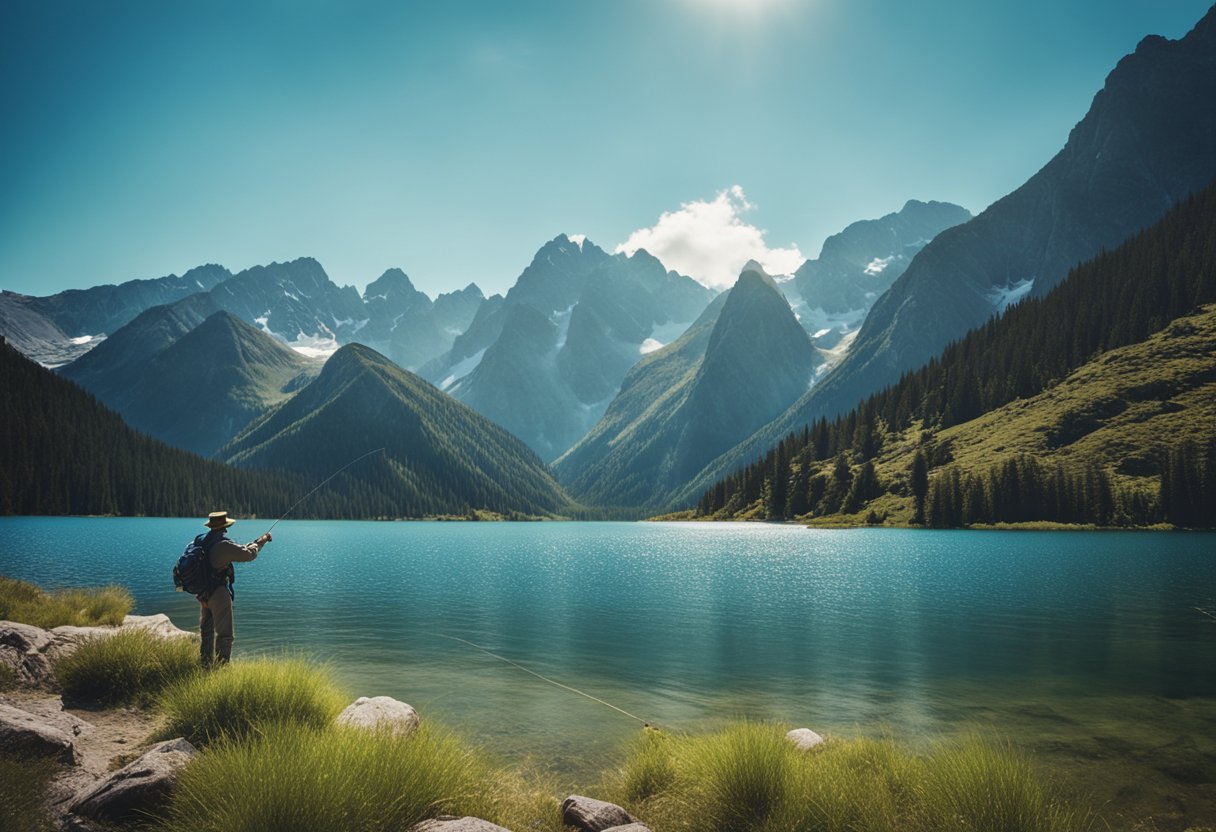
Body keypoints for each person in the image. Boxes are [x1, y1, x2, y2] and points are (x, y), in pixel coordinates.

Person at [197, 510, 271, 667]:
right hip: (218, 593)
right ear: (225, 527)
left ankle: (205, 665)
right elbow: (249, 554)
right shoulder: (223, 545)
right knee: (225, 635)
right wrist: (262, 541)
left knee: (207, 632)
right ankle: (222, 669)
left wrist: (201, 596)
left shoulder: (202, 541)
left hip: (203, 593)